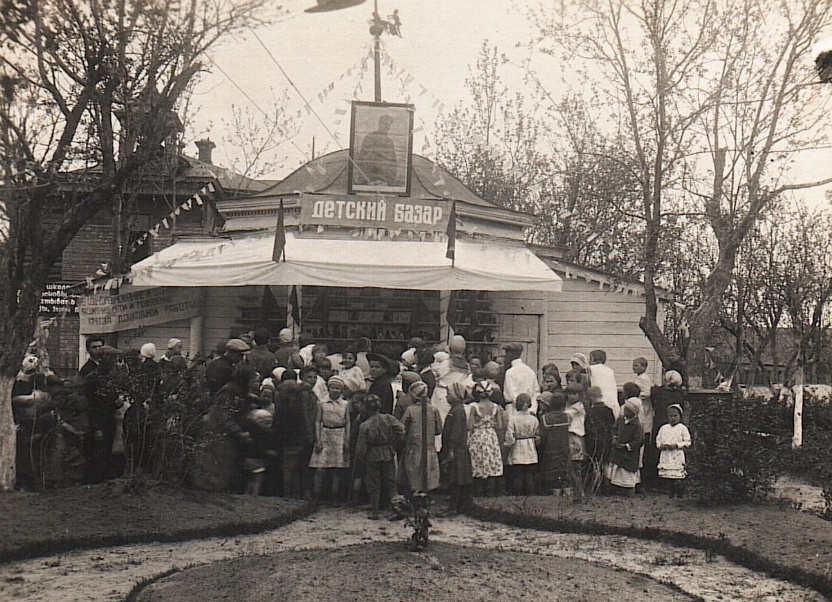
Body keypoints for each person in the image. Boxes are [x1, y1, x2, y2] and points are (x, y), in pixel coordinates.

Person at [195, 363, 255, 493]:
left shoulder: (238, 391)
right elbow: (223, 415)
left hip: (225, 435)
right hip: (219, 436)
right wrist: (239, 433)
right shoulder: (231, 390)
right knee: (216, 469)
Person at [355, 394, 405, 520]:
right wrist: (394, 442)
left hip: (372, 455)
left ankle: (374, 511)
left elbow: (361, 446)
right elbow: (401, 430)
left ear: (366, 408)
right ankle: (396, 508)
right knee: (391, 482)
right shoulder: (389, 418)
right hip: (388, 452)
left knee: (373, 483)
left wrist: (361, 457)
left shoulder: (365, 425)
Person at [308, 375, 351, 503]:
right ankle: (316, 495)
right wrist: (318, 439)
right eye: (333, 387)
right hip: (325, 433)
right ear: (328, 388)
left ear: (341, 390)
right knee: (320, 467)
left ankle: (334, 496)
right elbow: (317, 421)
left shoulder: (345, 404)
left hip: (339, 434)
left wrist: (346, 440)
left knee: (336, 468)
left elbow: (348, 422)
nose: (335, 390)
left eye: (338, 388)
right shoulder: (322, 403)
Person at [400, 381, 443, 495]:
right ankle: (427, 494)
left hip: (414, 447)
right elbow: (438, 430)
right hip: (429, 447)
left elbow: (402, 429)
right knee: (428, 471)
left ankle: (415, 493)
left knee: (413, 471)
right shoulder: (433, 410)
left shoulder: (410, 410)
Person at [439, 381, 473, 516]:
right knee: (457, 479)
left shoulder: (457, 411)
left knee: (455, 480)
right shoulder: (456, 409)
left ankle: (453, 508)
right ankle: (459, 506)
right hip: (456, 449)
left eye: (448, 393)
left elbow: (456, 432)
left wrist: (451, 449)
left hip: (457, 450)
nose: (446, 396)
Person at [467, 380, 505, 497]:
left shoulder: (475, 407)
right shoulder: (496, 407)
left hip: (478, 436)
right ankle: (491, 492)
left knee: (478, 461)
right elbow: (499, 425)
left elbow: (469, 426)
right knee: (491, 461)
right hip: (490, 435)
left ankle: (478, 491)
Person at [503, 393, 540, 496]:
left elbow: (510, 436)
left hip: (517, 446)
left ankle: (518, 494)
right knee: (529, 474)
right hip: (530, 446)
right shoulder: (534, 419)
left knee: (518, 474)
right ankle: (530, 494)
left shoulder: (513, 419)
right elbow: (537, 434)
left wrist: (507, 445)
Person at [605, 398, 644, 497]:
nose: (625, 412)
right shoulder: (620, 420)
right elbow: (614, 429)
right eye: (625, 409)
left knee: (627, 473)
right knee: (615, 471)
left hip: (628, 454)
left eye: (628, 410)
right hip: (617, 452)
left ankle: (629, 489)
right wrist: (614, 438)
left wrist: (627, 446)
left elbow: (639, 441)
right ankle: (615, 488)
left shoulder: (637, 426)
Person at [538, 392, 572, 496]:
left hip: (550, 448)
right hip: (564, 447)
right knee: (564, 469)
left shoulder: (545, 418)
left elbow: (542, 434)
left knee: (553, 471)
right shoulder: (567, 417)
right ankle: (567, 491)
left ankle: (556, 491)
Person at [584, 386, 615, 494]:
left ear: (591, 397)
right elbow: (612, 426)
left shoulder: (591, 412)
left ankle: (597, 487)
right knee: (606, 463)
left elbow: (588, 428)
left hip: (595, 441)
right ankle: (607, 486)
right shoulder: (609, 410)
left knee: (596, 464)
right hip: (607, 440)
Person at [656, 404, 691, 498]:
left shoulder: (682, 428)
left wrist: (677, 445)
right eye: (670, 416)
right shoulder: (663, 428)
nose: (673, 418)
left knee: (678, 474)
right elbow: (658, 440)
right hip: (666, 454)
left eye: (675, 416)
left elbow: (688, 442)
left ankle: (680, 492)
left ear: (680, 416)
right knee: (669, 475)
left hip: (677, 454)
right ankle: (671, 492)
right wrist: (661, 446)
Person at [355, 114, 398, 186]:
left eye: (389, 124)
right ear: (379, 124)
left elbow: (393, 161)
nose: (387, 126)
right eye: (384, 123)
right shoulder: (370, 137)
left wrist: (389, 179)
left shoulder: (389, 141)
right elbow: (363, 157)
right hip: (369, 176)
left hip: (384, 178)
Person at [502, 342, 539, 416]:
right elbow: (536, 393)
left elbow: (512, 395)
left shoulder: (510, 372)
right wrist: (532, 410)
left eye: (506, 354)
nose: (505, 357)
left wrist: (521, 410)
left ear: (511, 354)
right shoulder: (530, 371)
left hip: (514, 410)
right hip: (529, 410)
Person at [564, 382, 587, 502]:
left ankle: (578, 492)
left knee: (575, 466)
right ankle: (574, 492)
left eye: (574, 394)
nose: (571, 396)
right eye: (569, 394)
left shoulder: (578, 407)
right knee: (571, 467)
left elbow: (567, 416)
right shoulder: (570, 406)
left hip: (575, 437)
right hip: (569, 436)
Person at [588, 349, 619, 419]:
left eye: (590, 359)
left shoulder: (591, 369)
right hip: (613, 402)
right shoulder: (610, 371)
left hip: (598, 402)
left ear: (593, 359)